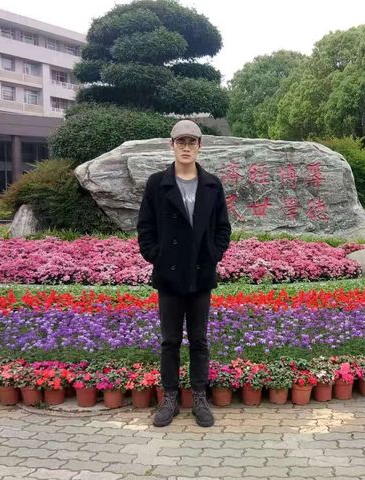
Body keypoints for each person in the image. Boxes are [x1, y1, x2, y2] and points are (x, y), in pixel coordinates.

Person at [136, 119, 231, 427]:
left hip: (201, 273)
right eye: (181, 141)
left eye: (192, 142)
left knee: (199, 339)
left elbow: (222, 228)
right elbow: (145, 227)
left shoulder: (212, 184)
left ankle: (200, 397)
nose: (186, 147)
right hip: (170, 275)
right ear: (172, 145)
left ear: (199, 146)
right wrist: (157, 256)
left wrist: (213, 255)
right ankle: (170, 398)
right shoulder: (157, 183)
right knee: (170, 340)